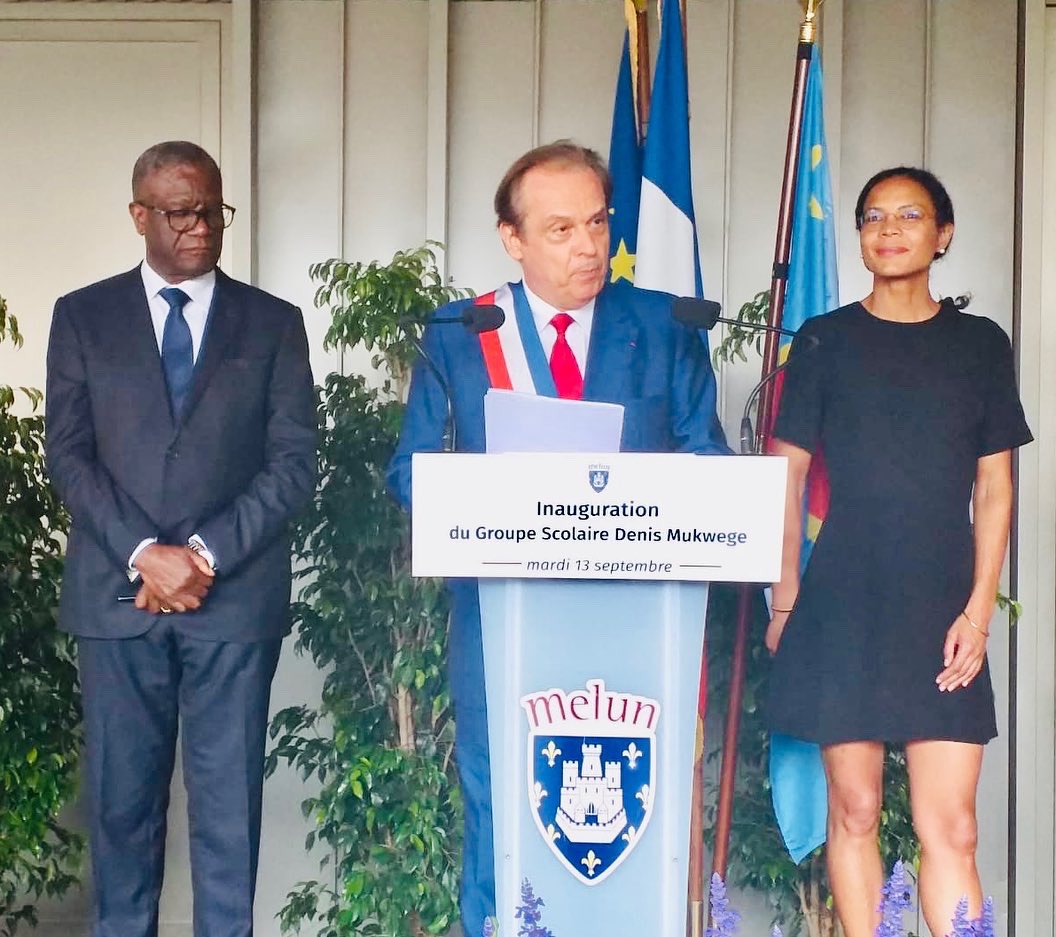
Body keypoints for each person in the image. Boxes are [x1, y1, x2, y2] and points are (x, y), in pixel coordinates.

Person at [387, 140, 729, 935]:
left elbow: (706, 458)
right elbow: (411, 471)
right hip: (501, 619)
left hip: (638, 627)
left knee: (626, 816)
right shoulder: (463, 332)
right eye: (561, 229)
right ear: (512, 239)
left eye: (599, 223)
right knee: (500, 801)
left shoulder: (664, 325)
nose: (588, 246)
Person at [45, 141, 318, 937]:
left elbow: (294, 463)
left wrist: (201, 555)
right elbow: (67, 451)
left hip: (232, 604)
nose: (200, 227)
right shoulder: (82, 316)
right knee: (122, 814)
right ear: (139, 216)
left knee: (228, 819)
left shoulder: (273, 324)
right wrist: (145, 551)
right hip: (115, 599)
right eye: (180, 212)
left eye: (212, 210)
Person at [765, 166, 1032, 937]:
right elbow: (787, 473)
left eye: (909, 215)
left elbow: (997, 487)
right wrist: (786, 597)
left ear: (942, 234)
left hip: (942, 608)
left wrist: (978, 613)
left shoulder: (980, 345)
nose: (889, 228)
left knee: (952, 826)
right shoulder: (824, 340)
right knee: (853, 810)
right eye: (874, 216)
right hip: (843, 604)